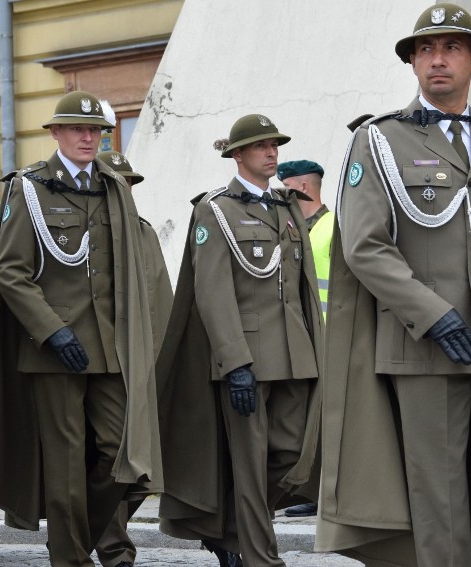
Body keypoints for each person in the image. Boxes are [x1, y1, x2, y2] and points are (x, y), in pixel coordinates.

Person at [314, 4, 471, 566]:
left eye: (452, 49)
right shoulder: (380, 140)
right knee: (439, 493)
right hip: (422, 343)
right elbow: (364, 245)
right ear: (412, 64)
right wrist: (433, 313)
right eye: (426, 51)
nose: (438, 60)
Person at [0, 91, 161, 567]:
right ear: (54, 133)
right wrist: (52, 331)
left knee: (124, 455)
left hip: (109, 347)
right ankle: (69, 559)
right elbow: (9, 271)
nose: (87, 137)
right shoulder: (29, 188)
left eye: (95, 130)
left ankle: (75, 537)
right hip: (52, 350)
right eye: (77, 128)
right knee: (65, 465)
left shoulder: (114, 186)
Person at [156, 114, 323, 567]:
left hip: (295, 354)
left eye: (274, 145)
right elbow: (211, 292)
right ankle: (260, 558)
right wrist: (235, 363)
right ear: (237, 154)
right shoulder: (216, 209)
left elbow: (302, 285)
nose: (271, 153)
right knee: (249, 467)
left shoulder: (288, 205)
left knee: (294, 453)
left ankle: (228, 523)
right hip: (247, 358)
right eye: (260, 146)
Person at [93, 151, 172, 567]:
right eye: (117, 183)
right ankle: (113, 548)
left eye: (130, 184)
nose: (126, 191)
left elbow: (161, 299)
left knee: (145, 473)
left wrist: (164, 364)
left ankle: (99, 535)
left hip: (146, 367)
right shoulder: (96, 232)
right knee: (114, 460)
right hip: (105, 365)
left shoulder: (143, 232)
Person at [276, 159, 333, 520]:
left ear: (304, 189)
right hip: (301, 339)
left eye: (286, 193)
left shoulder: (332, 227)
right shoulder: (296, 229)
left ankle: (327, 492)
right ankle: (310, 489)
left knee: (329, 418)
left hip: (331, 338)